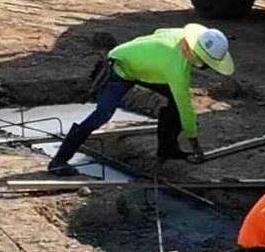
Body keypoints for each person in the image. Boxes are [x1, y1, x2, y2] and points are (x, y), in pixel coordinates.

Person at [48, 23, 232, 173]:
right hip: (118, 69)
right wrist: (195, 145)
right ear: (196, 55)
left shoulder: (180, 34)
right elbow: (186, 108)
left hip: (145, 68)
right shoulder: (176, 69)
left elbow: (158, 31)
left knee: (175, 102)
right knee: (103, 114)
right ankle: (59, 160)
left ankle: (167, 149)